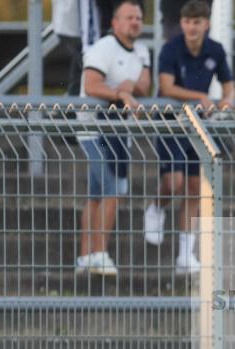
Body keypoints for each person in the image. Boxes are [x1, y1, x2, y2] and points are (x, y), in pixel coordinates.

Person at [145, 0, 235, 275]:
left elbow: (229, 87)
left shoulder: (215, 49)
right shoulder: (170, 48)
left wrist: (226, 100)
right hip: (170, 122)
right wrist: (201, 97)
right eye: (188, 22)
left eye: (197, 22)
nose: (192, 27)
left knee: (194, 188)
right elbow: (166, 87)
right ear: (181, 24)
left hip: (198, 125)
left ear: (206, 24)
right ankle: (156, 207)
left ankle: (185, 255)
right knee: (174, 181)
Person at [75, 0, 151, 276]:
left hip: (120, 131)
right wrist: (120, 94)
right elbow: (91, 85)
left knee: (97, 194)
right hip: (94, 129)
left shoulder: (141, 51)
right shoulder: (103, 48)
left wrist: (129, 87)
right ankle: (98, 252)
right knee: (112, 189)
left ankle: (86, 256)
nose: (135, 22)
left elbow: (144, 84)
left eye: (138, 17)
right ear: (115, 23)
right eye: (129, 17)